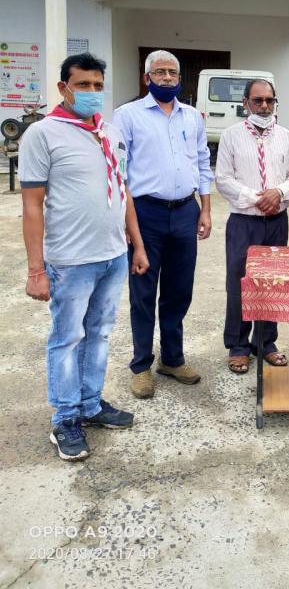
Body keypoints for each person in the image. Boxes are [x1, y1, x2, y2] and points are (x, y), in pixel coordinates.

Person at [18, 53, 149, 461]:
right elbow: (32, 205)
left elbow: (122, 189)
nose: (92, 93)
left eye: (97, 85)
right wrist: (36, 270)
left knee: (100, 333)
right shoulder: (43, 134)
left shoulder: (109, 132)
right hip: (70, 260)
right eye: (83, 85)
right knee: (67, 338)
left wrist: (137, 244)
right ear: (63, 88)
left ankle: (91, 404)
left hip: (112, 256)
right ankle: (65, 418)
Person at [113, 50, 213, 399]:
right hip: (145, 214)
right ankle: (141, 366)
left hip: (185, 211)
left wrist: (206, 208)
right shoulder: (126, 116)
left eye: (173, 72)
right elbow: (119, 172)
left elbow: (202, 160)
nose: (168, 78)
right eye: (160, 73)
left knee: (178, 290)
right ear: (147, 78)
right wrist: (126, 220)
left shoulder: (192, 117)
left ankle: (172, 359)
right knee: (143, 293)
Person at [215, 78, 289, 374]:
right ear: (245, 104)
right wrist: (257, 198)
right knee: (240, 283)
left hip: (277, 222)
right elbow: (224, 179)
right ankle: (238, 346)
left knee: (273, 283)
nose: (264, 106)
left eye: (269, 100)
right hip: (244, 223)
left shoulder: (286, 136)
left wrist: (278, 193)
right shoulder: (231, 136)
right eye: (258, 101)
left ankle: (266, 343)